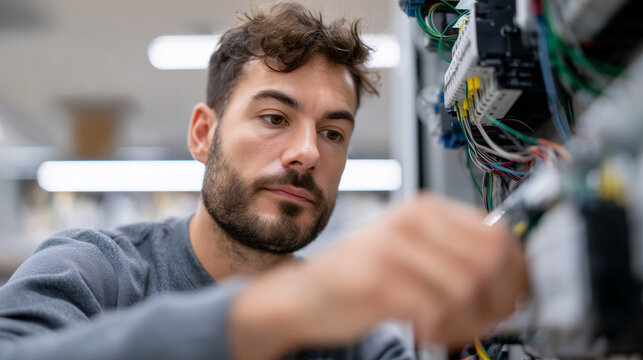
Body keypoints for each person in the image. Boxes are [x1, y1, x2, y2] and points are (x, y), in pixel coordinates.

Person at [0, 2, 528, 359]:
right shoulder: (98, 271)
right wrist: (292, 306)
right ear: (204, 134)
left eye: (332, 133)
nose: (306, 153)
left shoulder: (355, 343)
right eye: (275, 118)